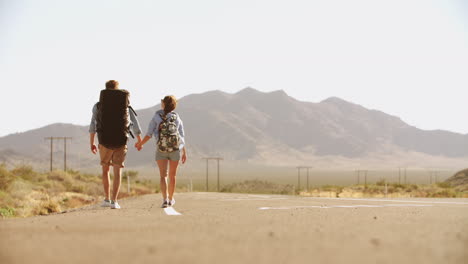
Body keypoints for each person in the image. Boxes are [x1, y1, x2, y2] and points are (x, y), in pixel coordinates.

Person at [89, 80, 142, 209]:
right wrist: (139, 140)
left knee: (105, 170)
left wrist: (92, 143)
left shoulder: (98, 106)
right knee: (117, 171)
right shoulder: (125, 105)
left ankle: (106, 199)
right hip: (121, 141)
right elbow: (134, 123)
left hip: (104, 142)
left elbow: (93, 125)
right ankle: (115, 201)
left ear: (105, 89)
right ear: (118, 89)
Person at [136, 95, 187, 208]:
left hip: (161, 149)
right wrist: (184, 152)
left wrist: (140, 144)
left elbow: (149, 134)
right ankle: (171, 199)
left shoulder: (156, 116)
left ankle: (164, 199)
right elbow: (182, 136)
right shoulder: (177, 118)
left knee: (163, 176)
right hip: (175, 150)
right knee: (172, 176)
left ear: (163, 104)